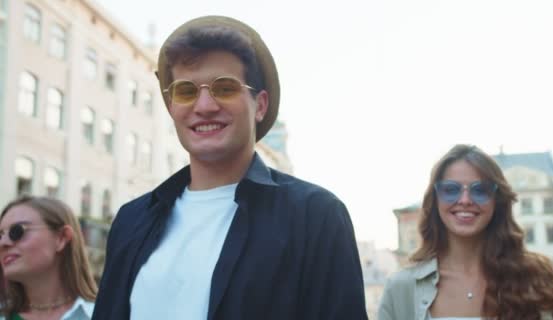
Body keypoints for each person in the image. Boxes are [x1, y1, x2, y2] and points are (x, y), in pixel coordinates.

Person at [92, 15, 367, 320]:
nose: (205, 105)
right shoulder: (132, 220)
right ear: (172, 108)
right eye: (186, 91)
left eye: (225, 88)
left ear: (260, 105)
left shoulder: (315, 215)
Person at [378, 144, 553, 320]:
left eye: (480, 190)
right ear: (435, 200)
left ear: (497, 201)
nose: (465, 200)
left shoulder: (538, 279)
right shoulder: (401, 288)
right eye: (450, 190)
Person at [0, 196, 97, 320]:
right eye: (0, 236)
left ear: (62, 238)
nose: (3, 243)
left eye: (17, 231)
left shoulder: (106, 314)